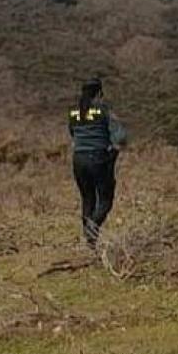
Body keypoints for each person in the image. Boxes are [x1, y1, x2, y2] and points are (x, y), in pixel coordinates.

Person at [68, 78, 128, 251]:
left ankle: (90, 242)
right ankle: (91, 232)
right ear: (99, 93)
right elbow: (121, 135)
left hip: (78, 159)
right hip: (99, 158)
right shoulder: (104, 111)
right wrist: (115, 148)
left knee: (87, 198)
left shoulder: (74, 112)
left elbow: (72, 133)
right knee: (105, 200)